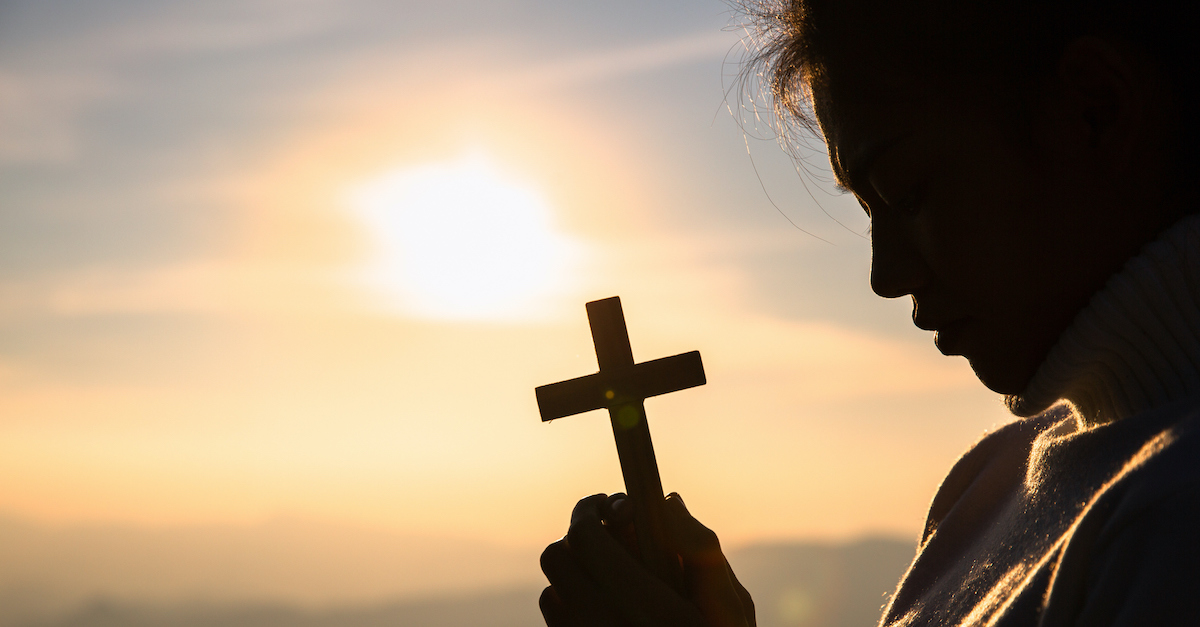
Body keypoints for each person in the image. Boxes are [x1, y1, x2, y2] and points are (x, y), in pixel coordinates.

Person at [539, 0, 1200, 624]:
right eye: (866, 211)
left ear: (1096, 110)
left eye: (907, 193)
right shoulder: (988, 486)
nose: (887, 278)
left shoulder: (1174, 514)